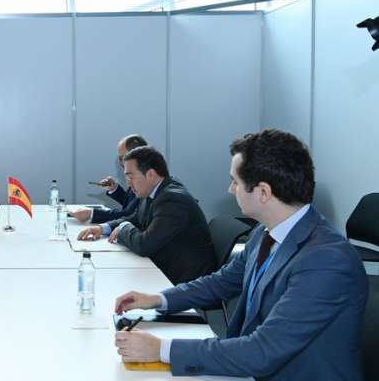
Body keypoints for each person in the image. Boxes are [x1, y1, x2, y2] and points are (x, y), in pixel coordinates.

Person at [113, 129, 368, 380]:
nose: (230, 189)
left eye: (235, 181)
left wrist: (162, 349)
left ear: (263, 192)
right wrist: (158, 299)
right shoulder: (265, 232)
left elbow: (262, 351)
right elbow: (220, 282)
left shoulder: (326, 260)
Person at [77, 146, 217, 285]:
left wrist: (123, 228)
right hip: (165, 267)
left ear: (151, 174)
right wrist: (103, 228)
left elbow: (144, 245)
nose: (128, 183)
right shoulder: (155, 189)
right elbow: (137, 218)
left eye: (130, 176)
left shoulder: (172, 199)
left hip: (185, 280)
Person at [70, 134, 146, 224]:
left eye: (122, 158)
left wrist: (91, 214)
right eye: (118, 158)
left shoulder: (145, 177)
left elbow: (128, 214)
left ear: (136, 155)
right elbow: (132, 205)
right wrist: (114, 189)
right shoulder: (137, 173)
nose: (119, 162)